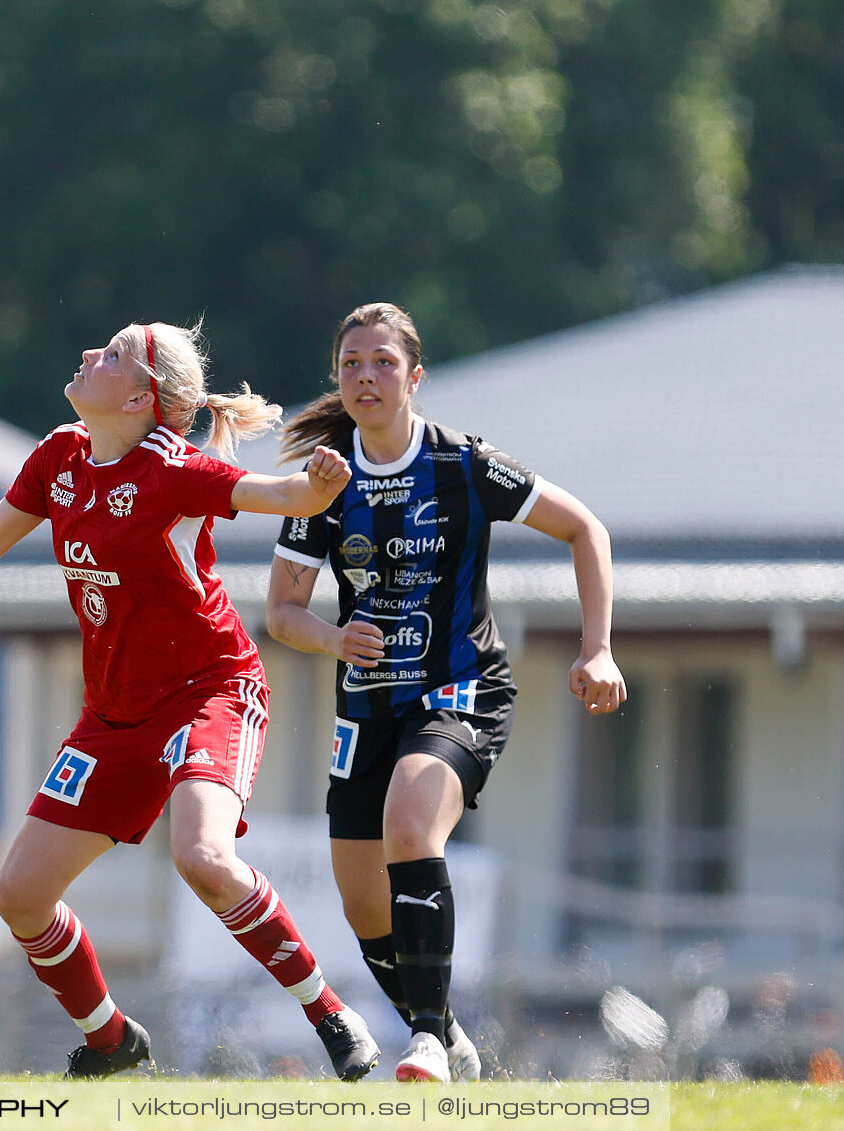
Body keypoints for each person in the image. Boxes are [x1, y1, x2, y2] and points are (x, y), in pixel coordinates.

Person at [0, 321, 381, 1079]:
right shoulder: (60, 454)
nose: (92, 353)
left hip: (210, 691)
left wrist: (315, 489)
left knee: (204, 857)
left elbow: (274, 492)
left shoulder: (171, 468)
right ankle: (112, 1040)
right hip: (114, 714)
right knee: (20, 896)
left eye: (115, 353)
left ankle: (329, 1011)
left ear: (139, 396)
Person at [265, 302, 625, 1083]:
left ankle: (426, 1035)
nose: (367, 376)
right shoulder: (325, 481)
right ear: (337, 376)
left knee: (410, 818)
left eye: (383, 362)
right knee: (365, 908)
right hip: (365, 705)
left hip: (460, 689)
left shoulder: (464, 464)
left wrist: (597, 648)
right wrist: (333, 637)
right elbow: (281, 611)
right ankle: (451, 1036)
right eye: (352, 363)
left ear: (415, 376)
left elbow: (585, 529)